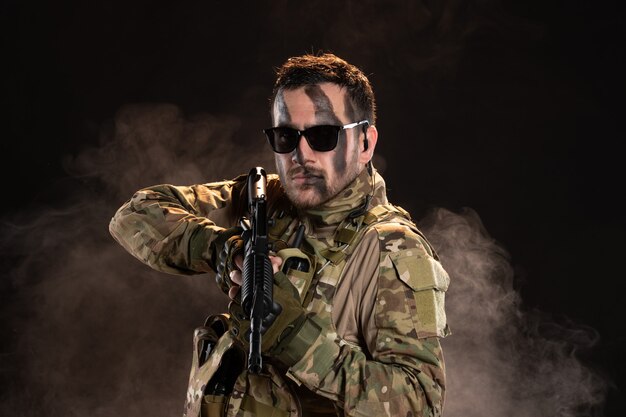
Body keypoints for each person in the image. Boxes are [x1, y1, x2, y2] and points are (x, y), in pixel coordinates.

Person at [109, 52, 451, 417]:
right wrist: (223, 250)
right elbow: (135, 214)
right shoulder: (266, 200)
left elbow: (420, 401)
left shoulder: (394, 250)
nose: (301, 154)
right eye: (286, 136)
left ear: (365, 143)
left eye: (323, 135)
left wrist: (297, 338)